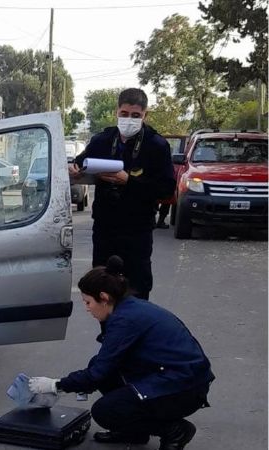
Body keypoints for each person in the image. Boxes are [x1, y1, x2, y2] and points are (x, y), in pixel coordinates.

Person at [28, 256, 214, 450]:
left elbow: (96, 375)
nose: (87, 309)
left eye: (88, 302)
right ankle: (134, 431)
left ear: (104, 297)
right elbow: (103, 366)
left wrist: (55, 385)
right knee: (102, 367)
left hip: (184, 389)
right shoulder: (128, 308)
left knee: (104, 411)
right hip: (181, 377)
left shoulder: (124, 321)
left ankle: (174, 430)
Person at [69, 88, 175, 300]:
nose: (129, 119)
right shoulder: (103, 140)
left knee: (136, 291)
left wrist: (129, 181)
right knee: (103, 292)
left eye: (136, 116)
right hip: (105, 230)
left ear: (145, 115)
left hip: (137, 232)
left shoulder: (157, 145)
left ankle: (134, 332)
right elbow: (79, 163)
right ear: (116, 112)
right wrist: (74, 169)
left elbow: (166, 189)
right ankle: (108, 334)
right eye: (124, 114)